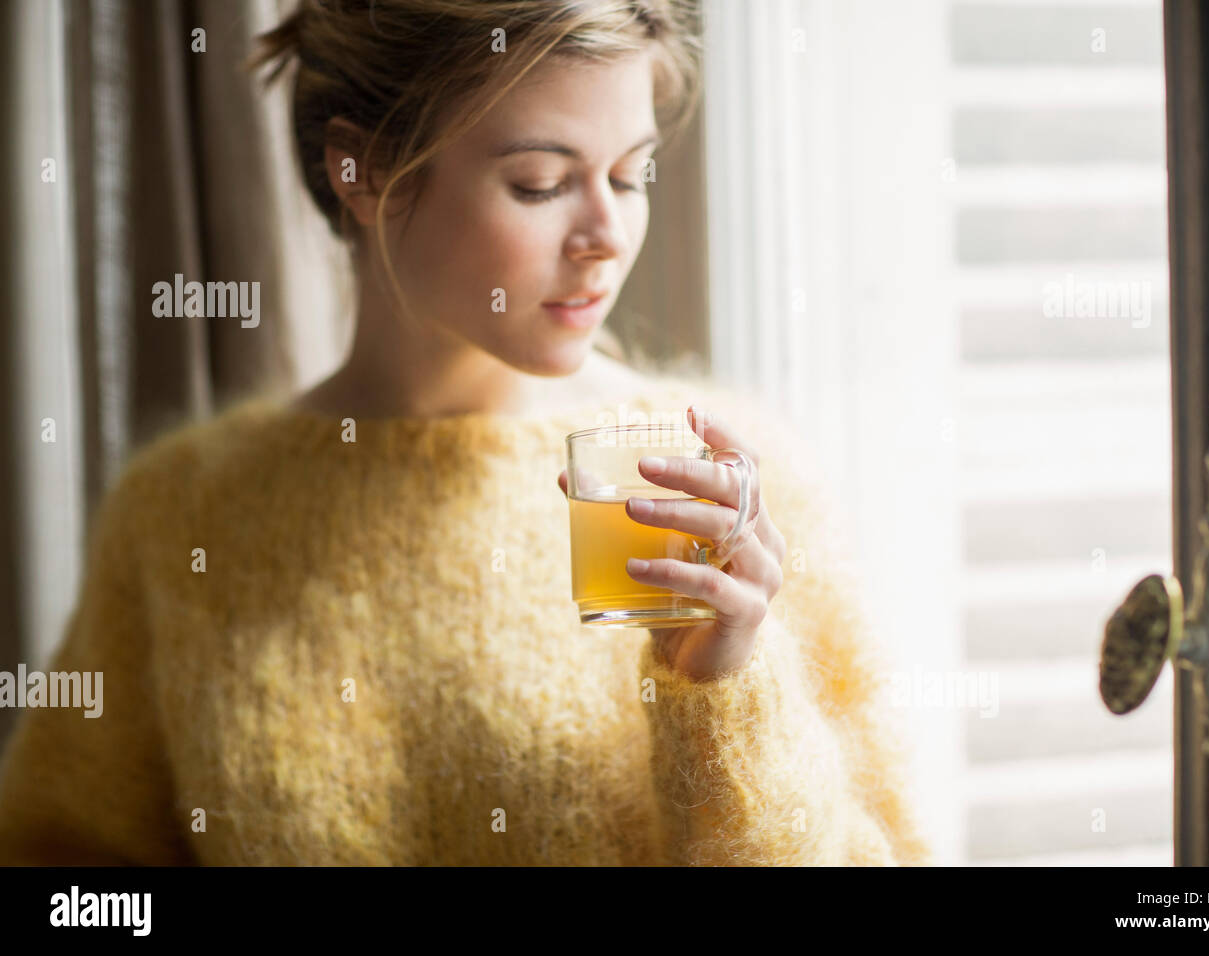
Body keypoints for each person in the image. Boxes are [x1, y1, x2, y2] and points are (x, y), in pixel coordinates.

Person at [0, 0, 931, 866]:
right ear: (358, 174)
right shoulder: (184, 513)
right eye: (540, 183)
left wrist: (732, 691)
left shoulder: (721, 487)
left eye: (630, 175)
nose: (608, 232)